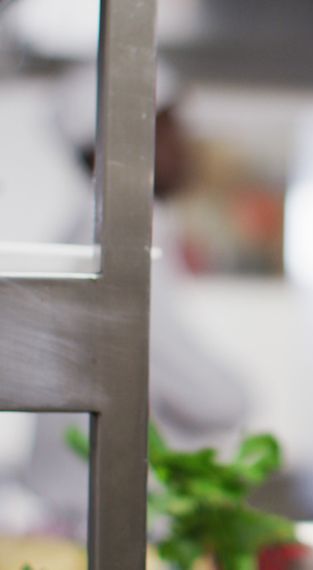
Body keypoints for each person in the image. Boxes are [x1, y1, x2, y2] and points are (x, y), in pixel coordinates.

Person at [19, 63, 250, 534]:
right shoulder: (113, 240)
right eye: (170, 127)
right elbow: (210, 396)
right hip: (96, 527)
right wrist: (240, 396)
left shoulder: (103, 232)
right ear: (126, 141)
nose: (186, 143)